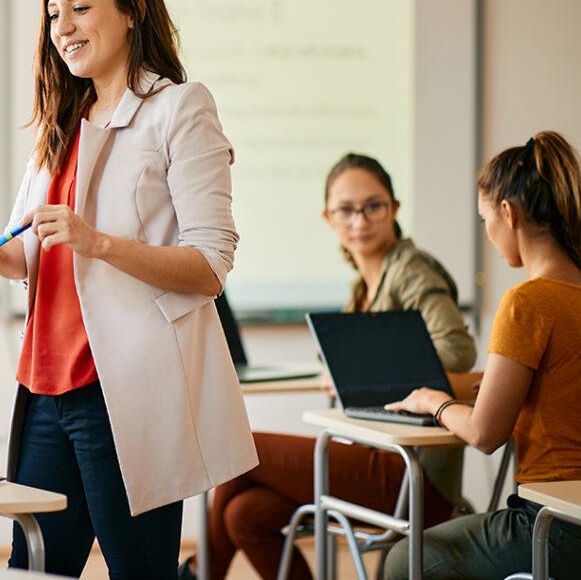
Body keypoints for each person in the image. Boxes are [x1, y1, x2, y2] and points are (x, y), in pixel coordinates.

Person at [0, 0, 257, 578]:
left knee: (139, 569)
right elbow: (41, 257)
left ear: (133, 10)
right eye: (53, 14)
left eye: (80, 8)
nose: (63, 28)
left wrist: (98, 242)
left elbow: (209, 267)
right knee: (33, 567)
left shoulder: (179, 108)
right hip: (43, 387)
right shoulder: (60, 122)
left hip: (119, 390)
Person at [190, 153, 476, 580]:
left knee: (242, 449)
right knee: (244, 514)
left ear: (394, 209)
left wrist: (363, 373)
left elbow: (456, 352)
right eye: (346, 210)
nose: (359, 220)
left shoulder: (411, 271)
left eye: (373, 206)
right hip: (375, 456)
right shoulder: (362, 287)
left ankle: (195, 574)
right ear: (328, 218)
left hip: (413, 475)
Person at [383, 131, 581, 579]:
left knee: (405, 559)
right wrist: (531, 395)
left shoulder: (527, 301)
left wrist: (434, 403)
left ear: (508, 212)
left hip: (556, 527)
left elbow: (485, 435)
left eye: (485, 219)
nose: (487, 232)